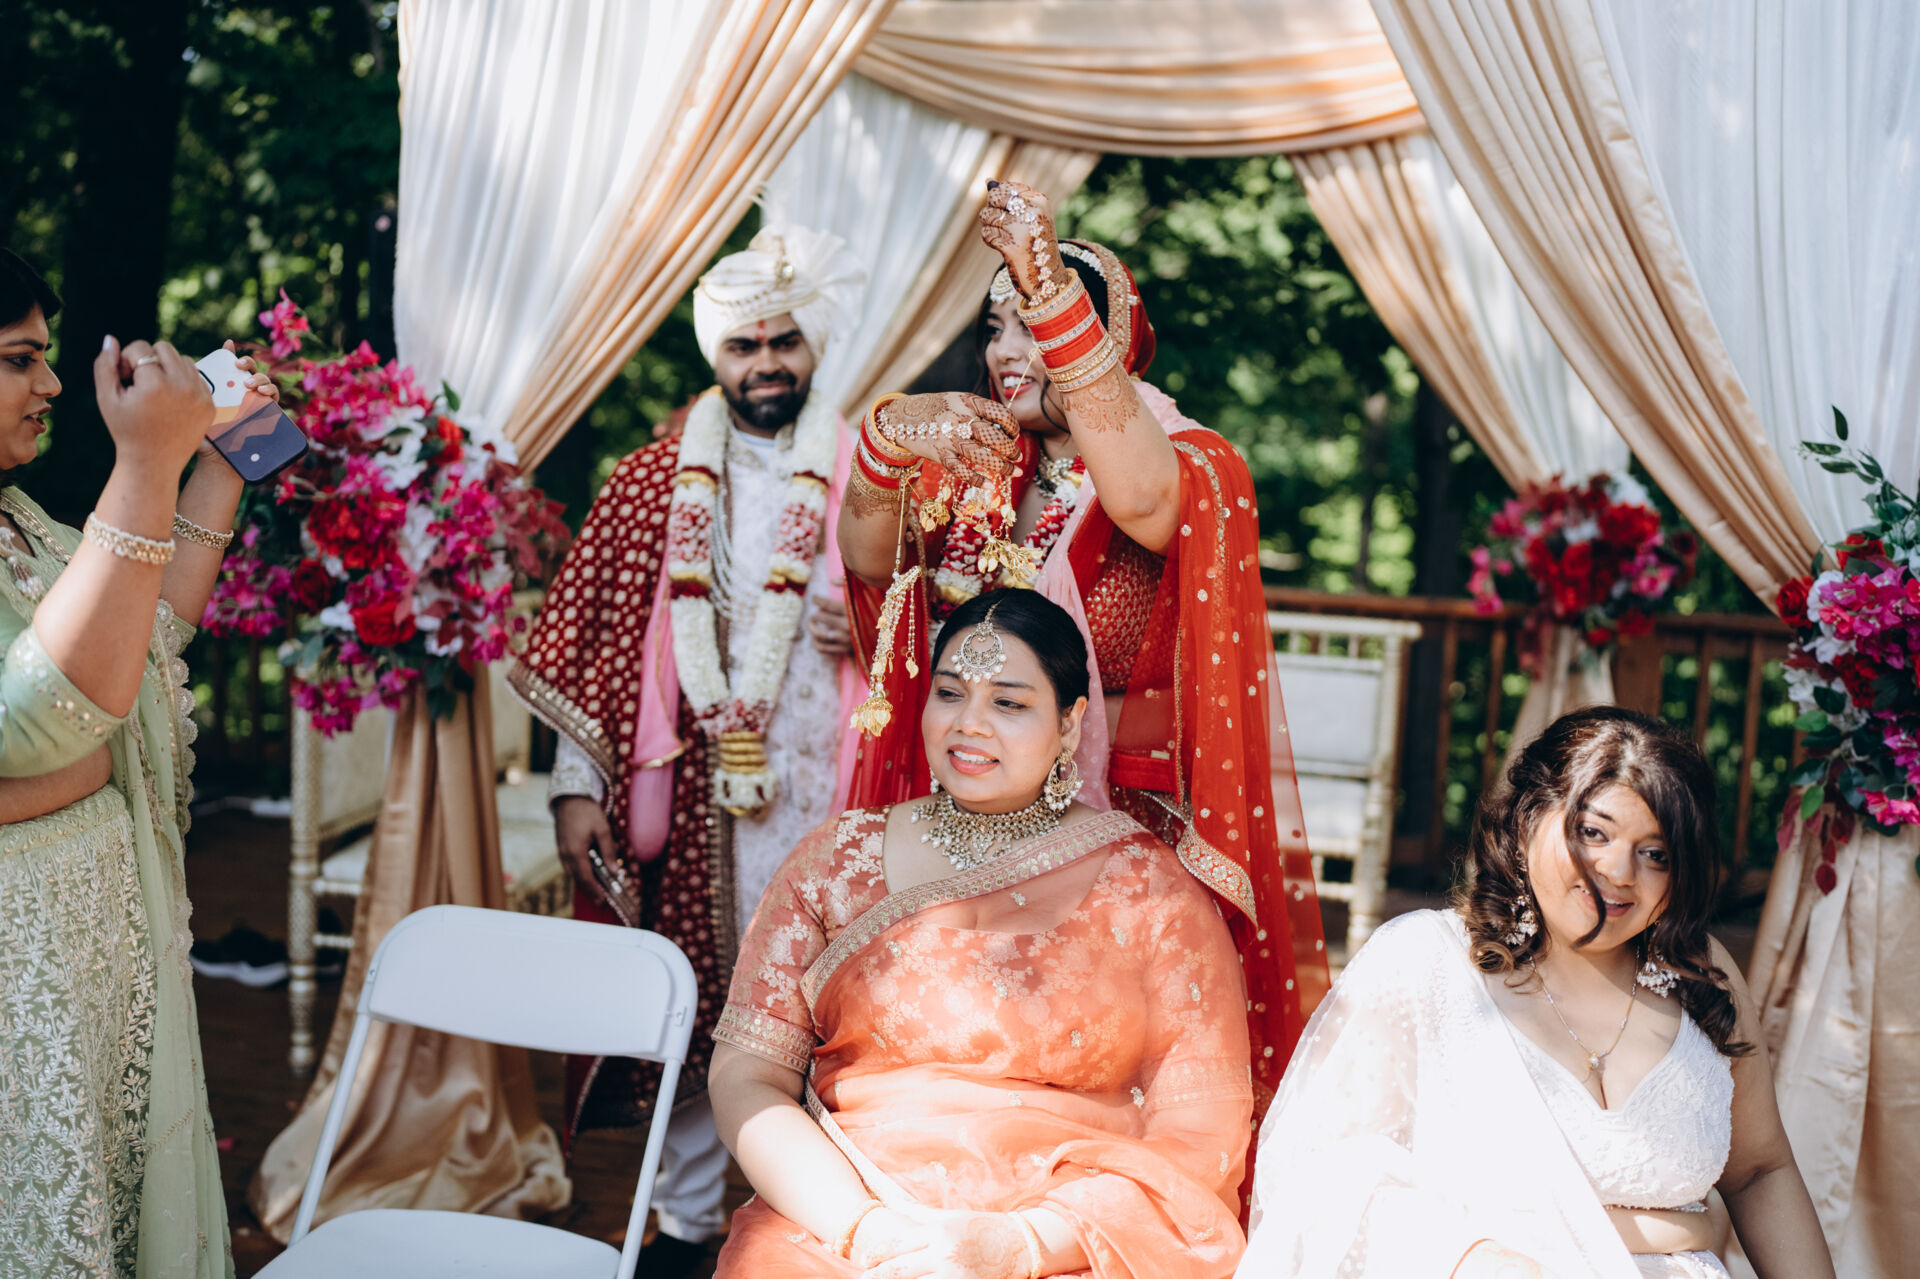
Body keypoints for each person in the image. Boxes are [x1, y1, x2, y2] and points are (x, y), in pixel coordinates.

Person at [836, 180, 1325, 1105]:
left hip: (1119, 833)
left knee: (1097, 1077)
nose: (1006, 352)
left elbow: (1141, 498)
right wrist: (889, 436)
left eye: (1033, 325)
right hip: (968, 808)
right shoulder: (982, 464)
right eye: (996, 327)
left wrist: (1051, 287)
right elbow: (870, 557)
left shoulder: (1194, 460)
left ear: (1107, 337)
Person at [508, 222, 868, 1272]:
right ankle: (687, 1224)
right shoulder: (653, 477)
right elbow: (597, 645)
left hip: (838, 791)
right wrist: (575, 787)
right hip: (698, 791)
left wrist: (881, 618)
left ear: (813, 348)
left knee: (831, 1008)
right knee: (697, 1005)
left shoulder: (877, 473)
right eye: (745, 346)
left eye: (785, 342)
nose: (768, 364)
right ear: (717, 356)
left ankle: (816, 1224)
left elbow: (949, 625)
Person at [710, 588, 1255, 1278]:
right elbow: (747, 1075)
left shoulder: (1148, 888)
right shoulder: (836, 861)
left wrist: (1019, 1245)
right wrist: (866, 1230)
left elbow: (1201, 1130)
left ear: (1069, 724)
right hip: (843, 1216)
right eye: (949, 693)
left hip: (1070, 1237)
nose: (969, 724)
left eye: (1009, 703)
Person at [1240, 707, 1837, 1279]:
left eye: (1655, 853)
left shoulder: (1701, 973)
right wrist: (1494, 1262)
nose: (1619, 872)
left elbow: (1760, 1172)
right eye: (1593, 832)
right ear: (1527, 819)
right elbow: (1327, 1179)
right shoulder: (1426, 962)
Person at [0, 248, 264, 1276]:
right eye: (19, 360)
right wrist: (144, 463)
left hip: (95, 957)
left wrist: (218, 463)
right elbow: (42, 719)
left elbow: (136, 642)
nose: (52, 384)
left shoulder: (20, 521)